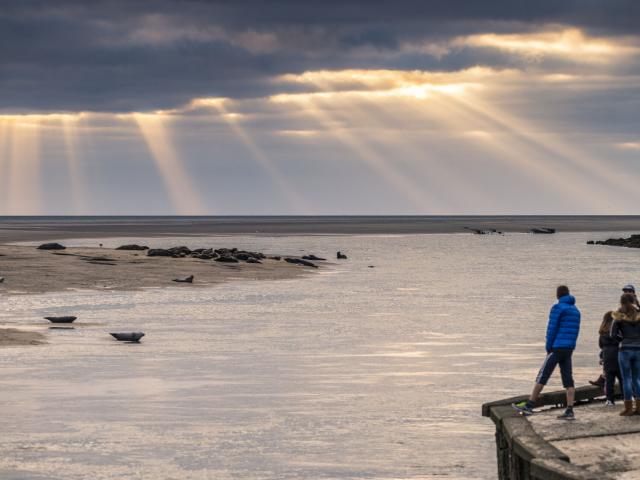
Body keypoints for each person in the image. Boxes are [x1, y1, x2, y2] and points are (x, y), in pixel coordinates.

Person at [513, 285, 581, 420]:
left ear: (558, 295)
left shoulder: (557, 308)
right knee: (568, 379)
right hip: (569, 348)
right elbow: (575, 331)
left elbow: (552, 329)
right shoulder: (576, 311)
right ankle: (569, 410)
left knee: (542, 375)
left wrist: (548, 348)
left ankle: (529, 405)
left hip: (556, 348)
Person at [611, 293, 640, 416]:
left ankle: (628, 408)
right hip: (639, 349)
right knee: (637, 379)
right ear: (633, 301)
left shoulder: (618, 316)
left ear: (621, 302)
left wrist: (621, 341)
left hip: (625, 350)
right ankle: (639, 408)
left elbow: (612, 334)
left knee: (626, 379)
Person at [599, 311, 622, 405]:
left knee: (609, 380)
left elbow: (601, 345)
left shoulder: (602, 333)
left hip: (607, 357)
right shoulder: (617, 332)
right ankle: (626, 398)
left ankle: (610, 400)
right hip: (618, 356)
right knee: (622, 379)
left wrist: (602, 356)